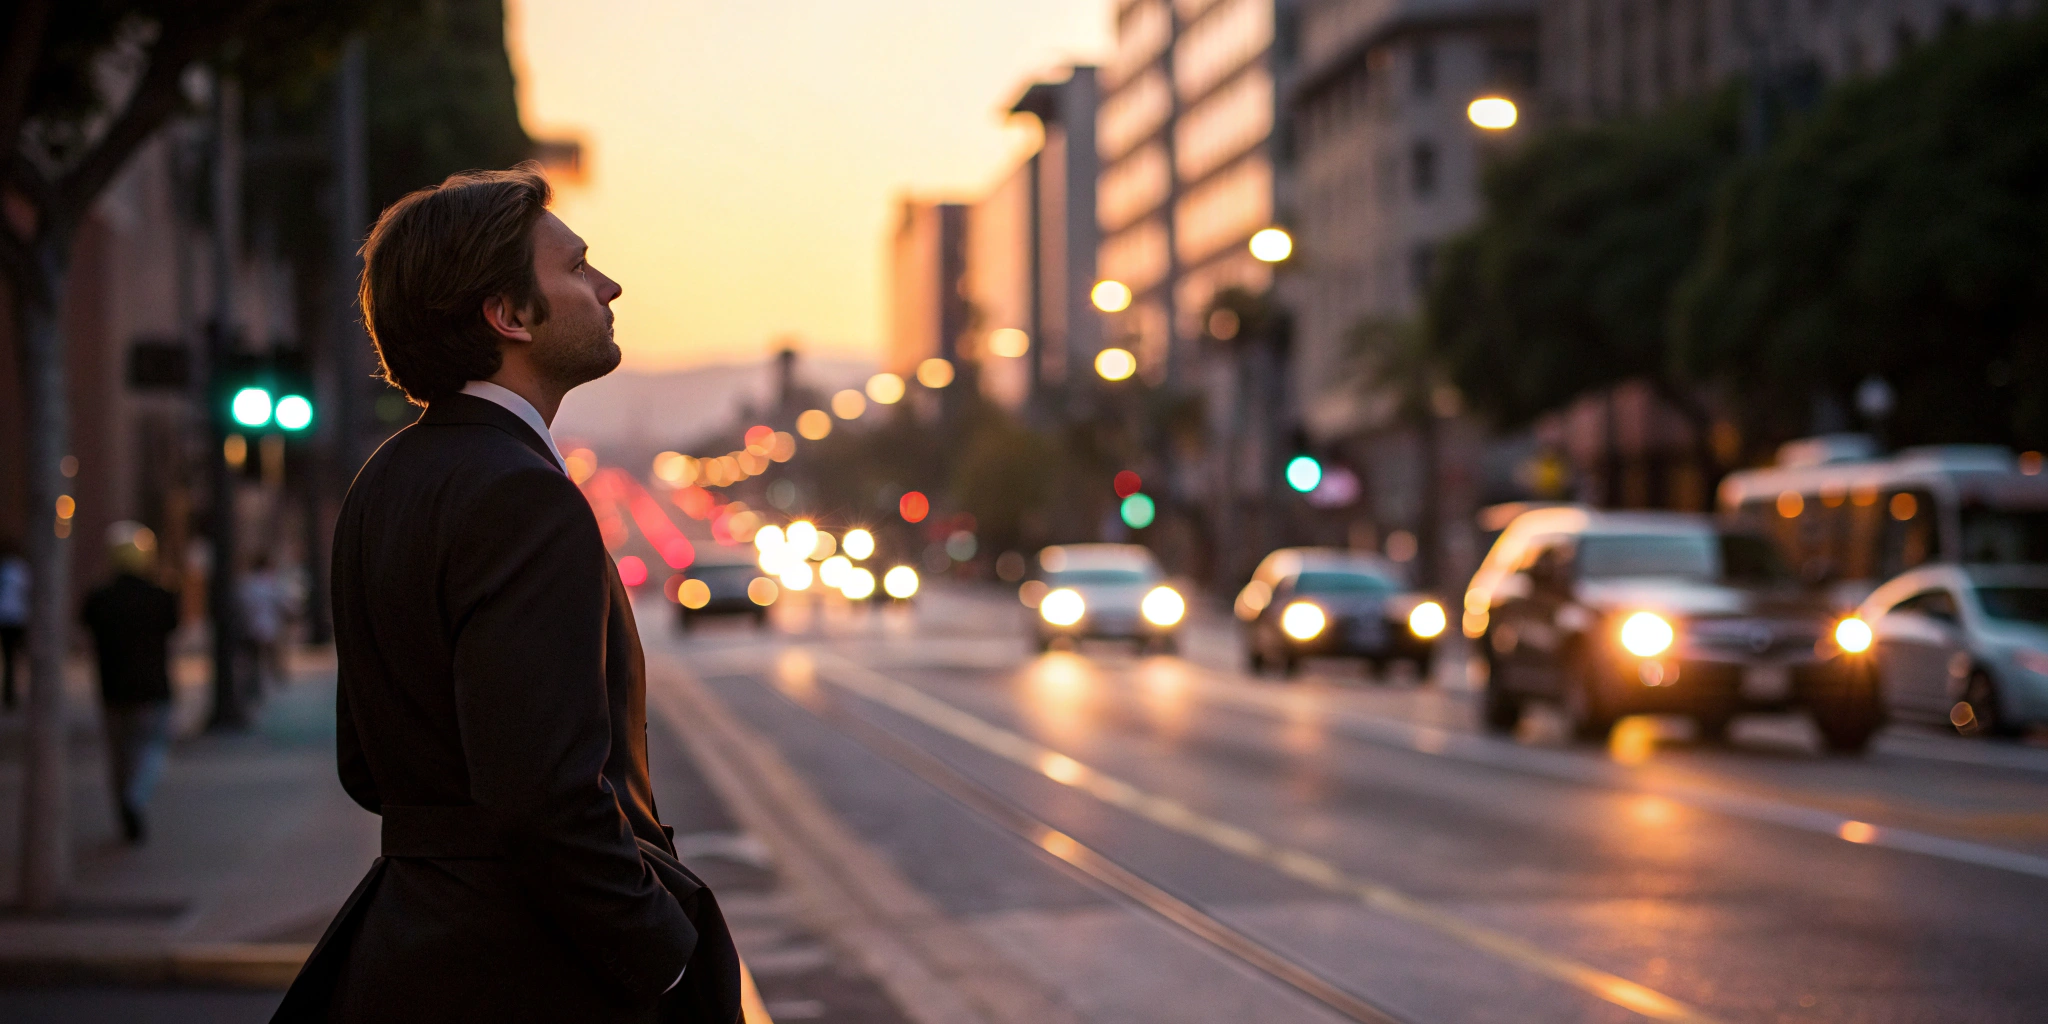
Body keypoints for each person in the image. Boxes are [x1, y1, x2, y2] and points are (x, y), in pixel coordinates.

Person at [273, 166, 741, 1024]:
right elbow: (548, 797)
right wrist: (665, 957)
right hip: (531, 971)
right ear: (509, 314)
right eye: (577, 268)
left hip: (411, 946)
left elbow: (365, 766)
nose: (609, 286)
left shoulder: (384, 483)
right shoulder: (525, 497)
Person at [79, 523, 180, 844]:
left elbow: (84, 627)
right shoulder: (159, 597)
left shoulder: (100, 597)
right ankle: (134, 800)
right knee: (150, 747)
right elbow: (173, 627)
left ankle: (125, 806)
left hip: (112, 688)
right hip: (152, 688)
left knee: (118, 757)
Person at [237, 553, 294, 693]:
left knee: (257, 661)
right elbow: (282, 603)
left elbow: (242, 606)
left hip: (253, 628)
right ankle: (276, 683)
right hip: (268, 627)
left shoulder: (247, 584)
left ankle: (258, 685)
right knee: (271, 658)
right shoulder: (269, 583)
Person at [0, 537, 26, 711]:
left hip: (6, 617)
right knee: (13, 658)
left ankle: (11, 692)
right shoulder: (21, 569)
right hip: (16, 617)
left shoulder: (5, 569)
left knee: (10, 658)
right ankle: (11, 693)